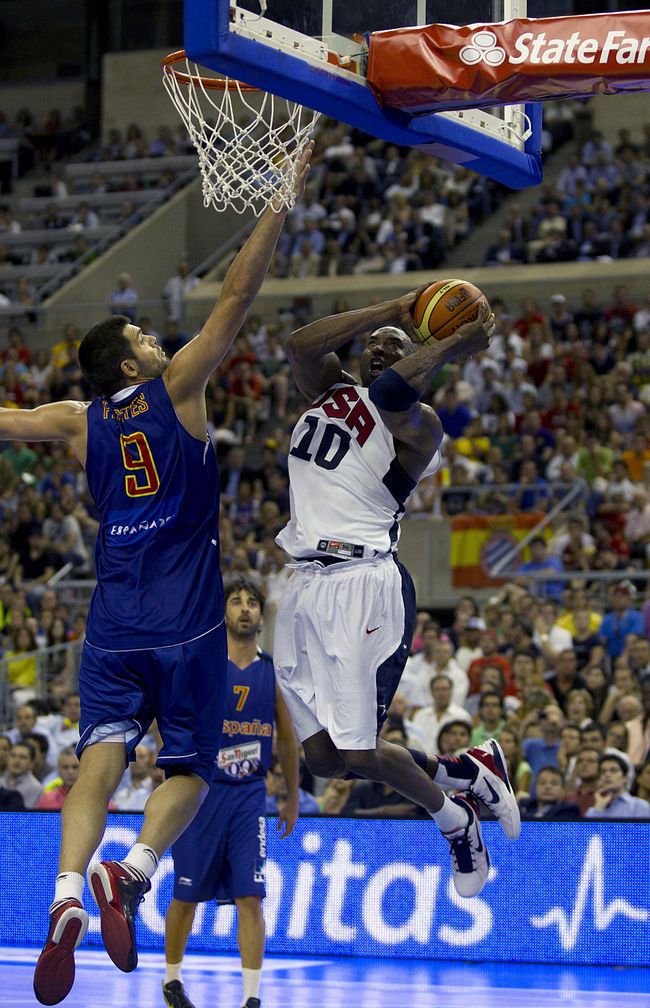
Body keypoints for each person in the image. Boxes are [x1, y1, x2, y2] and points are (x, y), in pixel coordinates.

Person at [0, 144, 313, 1007]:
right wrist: (279, 199)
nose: (155, 337)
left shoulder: (75, 420)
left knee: (96, 765)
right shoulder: (178, 386)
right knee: (193, 770)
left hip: (112, 625)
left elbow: (7, 418)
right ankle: (132, 872)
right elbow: (236, 298)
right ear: (134, 366)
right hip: (187, 622)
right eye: (143, 336)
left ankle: (67, 893)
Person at [273, 290, 520, 900]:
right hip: (302, 585)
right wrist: (394, 309)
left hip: (364, 584)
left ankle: (455, 820)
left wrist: (450, 343)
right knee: (325, 760)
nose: (381, 351)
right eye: (374, 347)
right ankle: (466, 770)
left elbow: (390, 395)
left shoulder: (422, 425)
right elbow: (300, 345)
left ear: (421, 359)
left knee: (359, 753)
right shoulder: (330, 391)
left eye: (397, 347)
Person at [163, 577, 299, 1008]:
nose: (244, 608)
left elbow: (287, 738)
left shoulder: (272, 671)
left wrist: (292, 797)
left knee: (250, 896)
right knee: (185, 895)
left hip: (249, 795)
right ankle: (172, 981)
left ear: (261, 615)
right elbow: (173, 718)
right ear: (223, 612)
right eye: (236, 601)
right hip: (200, 793)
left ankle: (252, 997)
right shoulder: (204, 665)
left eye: (251, 602)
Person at [586, 753, 650, 819]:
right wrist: (598, 808)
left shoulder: (639, 806)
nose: (607, 774)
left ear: (625, 778)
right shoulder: (596, 805)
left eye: (614, 770)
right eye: (603, 771)